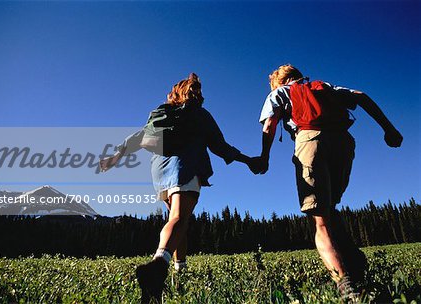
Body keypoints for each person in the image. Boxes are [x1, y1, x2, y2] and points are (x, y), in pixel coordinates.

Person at [100, 73, 257, 303]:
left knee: (178, 221)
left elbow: (138, 137)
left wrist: (114, 158)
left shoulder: (165, 114)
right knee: (179, 218)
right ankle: (157, 267)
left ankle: (178, 273)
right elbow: (220, 146)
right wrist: (249, 160)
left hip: (160, 172)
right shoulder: (199, 115)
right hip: (185, 167)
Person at [255, 64, 403, 301]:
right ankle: (355, 264)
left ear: (280, 81)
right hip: (343, 143)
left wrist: (264, 158)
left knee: (320, 221)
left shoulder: (280, 92)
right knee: (330, 206)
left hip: (309, 139)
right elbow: (362, 97)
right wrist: (389, 129)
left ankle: (348, 291)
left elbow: (269, 124)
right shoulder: (325, 87)